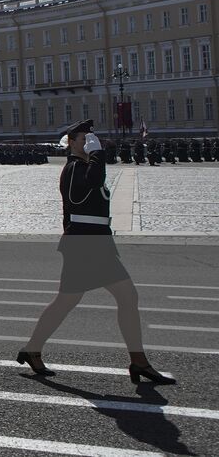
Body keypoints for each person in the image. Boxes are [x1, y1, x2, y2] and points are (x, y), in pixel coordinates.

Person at [18, 119, 176, 385]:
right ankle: (138, 362)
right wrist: (98, 154)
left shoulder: (84, 166)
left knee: (76, 301)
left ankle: (33, 349)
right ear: (72, 142)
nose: (89, 142)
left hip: (94, 245)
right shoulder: (73, 168)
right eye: (84, 139)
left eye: (91, 139)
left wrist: (95, 155)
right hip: (84, 246)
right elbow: (92, 183)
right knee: (117, 297)